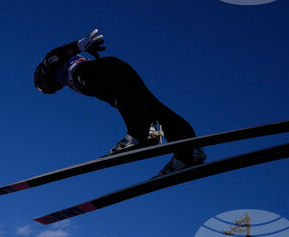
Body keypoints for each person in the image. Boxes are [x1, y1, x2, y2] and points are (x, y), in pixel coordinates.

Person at [33, 29, 205, 177]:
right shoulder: (71, 76)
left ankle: (139, 135)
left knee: (119, 95)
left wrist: (79, 45)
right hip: (115, 68)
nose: (51, 90)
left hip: (99, 71)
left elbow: (57, 54)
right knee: (152, 106)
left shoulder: (50, 66)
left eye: (44, 88)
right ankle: (188, 151)